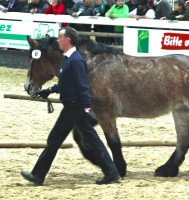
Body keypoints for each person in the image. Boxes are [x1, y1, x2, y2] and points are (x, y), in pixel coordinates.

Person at [20, 26, 121, 186]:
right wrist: (50, 90)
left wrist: (87, 106)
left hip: (74, 106)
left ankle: (38, 175)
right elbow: (67, 82)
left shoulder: (75, 60)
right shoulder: (68, 58)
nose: (58, 40)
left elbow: (82, 85)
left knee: (55, 138)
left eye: (60, 38)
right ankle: (112, 172)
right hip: (74, 105)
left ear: (68, 40)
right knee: (92, 139)